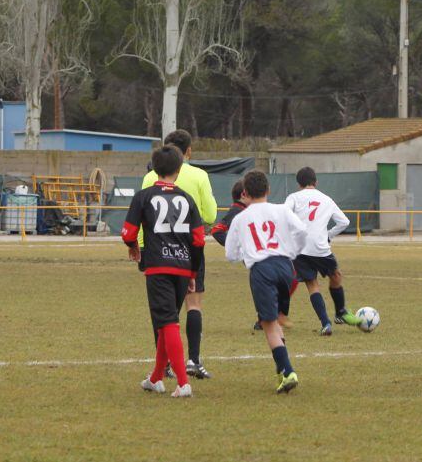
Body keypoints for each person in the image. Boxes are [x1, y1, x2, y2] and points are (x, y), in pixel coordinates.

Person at [122, 145, 205, 398]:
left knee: (168, 322)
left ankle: (182, 382)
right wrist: (192, 273)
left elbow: (127, 232)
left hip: (158, 266)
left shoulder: (144, 196)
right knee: (165, 323)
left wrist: (133, 245)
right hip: (182, 266)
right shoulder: (187, 199)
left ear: (154, 168)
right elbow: (199, 240)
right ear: (179, 170)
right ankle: (156, 377)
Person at [140, 129, 217, 379]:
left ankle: (164, 366)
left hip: (156, 249)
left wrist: (140, 247)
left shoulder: (150, 176)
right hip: (189, 249)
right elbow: (210, 215)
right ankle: (193, 359)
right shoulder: (199, 175)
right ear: (189, 151)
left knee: (163, 309)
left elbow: (142, 217)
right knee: (193, 304)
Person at [225, 171, 307, 393]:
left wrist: (246, 252)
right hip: (286, 268)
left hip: (262, 270)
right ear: (268, 190)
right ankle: (282, 369)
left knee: (268, 323)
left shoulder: (240, 218)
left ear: (244, 193)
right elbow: (301, 230)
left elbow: (230, 254)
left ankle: (288, 371)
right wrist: (292, 251)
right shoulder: (281, 209)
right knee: (276, 321)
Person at [284, 167, 359, 335]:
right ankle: (340, 312)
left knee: (312, 284)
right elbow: (344, 222)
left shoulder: (294, 197)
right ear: (316, 182)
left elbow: (284, 213)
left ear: (299, 184)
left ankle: (326, 323)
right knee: (336, 276)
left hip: (300, 248)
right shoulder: (326, 199)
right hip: (320, 248)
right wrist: (328, 235)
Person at [212, 179, 296, 329]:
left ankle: (270, 317)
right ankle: (265, 319)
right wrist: (241, 247)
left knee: (269, 283)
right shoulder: (237, 211)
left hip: (261, 254)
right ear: (243, 195)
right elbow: (217, 229)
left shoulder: (250, 211)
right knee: (269, 282)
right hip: (256, 255)